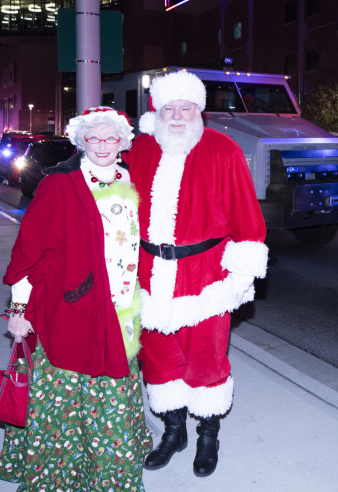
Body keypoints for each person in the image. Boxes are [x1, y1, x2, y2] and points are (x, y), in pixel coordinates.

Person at [0, 106, 153, 491]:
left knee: (113, 398)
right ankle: (59, 477)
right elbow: (28, 253)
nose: (102, 145)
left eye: (111, 137)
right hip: (69, 310)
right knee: (65, 403)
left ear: (123, 142)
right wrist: (19, 309)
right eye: (93, 137)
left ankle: (111, 477)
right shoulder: (60, 184)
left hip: (121, 310)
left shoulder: (134, 182)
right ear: (81, 140)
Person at [125, 71, 268, 477]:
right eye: (168, 107)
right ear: (156, 110)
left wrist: (241, 277)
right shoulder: (140, 150)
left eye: (184, 107)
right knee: (158, 359)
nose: (176, 115)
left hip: (206, 276)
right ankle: (174, 432)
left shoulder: (223, 149)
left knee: (206, 360)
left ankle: (208, 435)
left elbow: (247, 216)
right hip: (150, 276)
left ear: (198, 110)